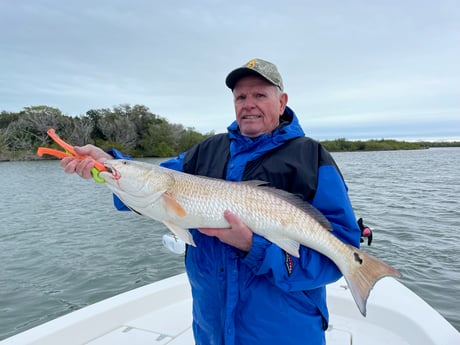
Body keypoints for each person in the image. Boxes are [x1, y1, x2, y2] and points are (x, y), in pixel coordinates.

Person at [61, 58, 361, 345]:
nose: (248, 104)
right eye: (240, 97)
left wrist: (253, 247)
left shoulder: (311, 158)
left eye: (259, 94)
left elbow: (338, 254)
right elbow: (150, 187)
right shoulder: (206, 151)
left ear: (282, 102)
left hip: (284, 331)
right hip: (211, 327)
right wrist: (108, 165)